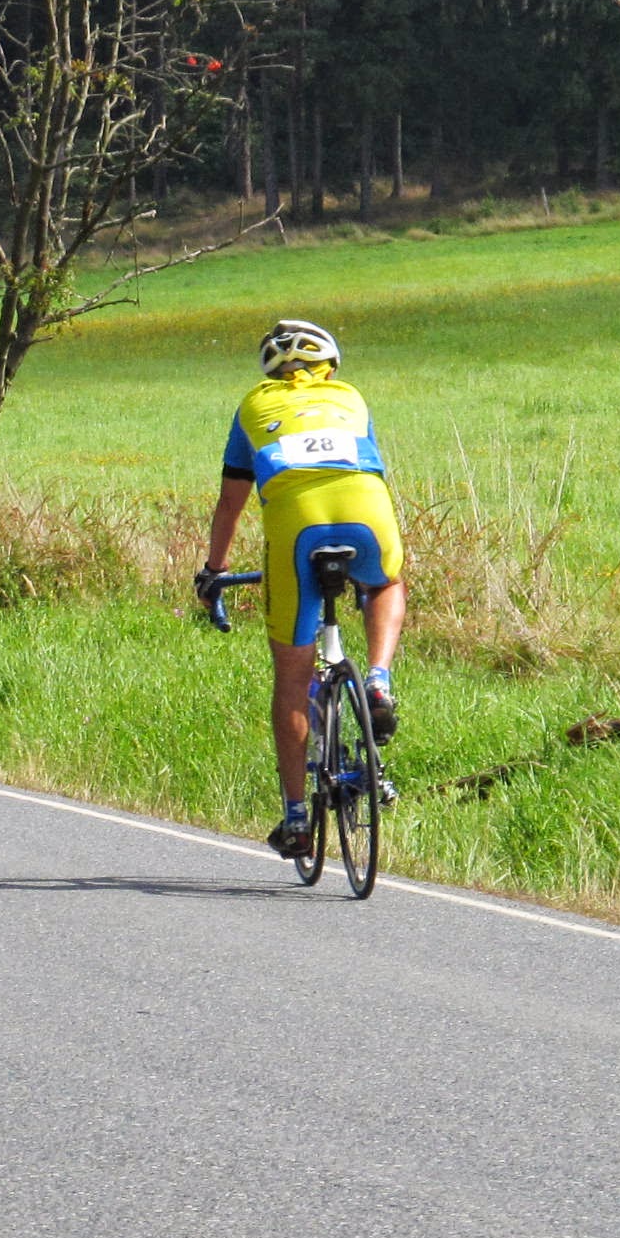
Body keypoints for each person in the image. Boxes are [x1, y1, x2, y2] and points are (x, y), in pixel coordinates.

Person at [197, 319, 407, 861]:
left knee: (292, 676)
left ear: (272, 373)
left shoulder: (252, 405)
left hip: (296, 525)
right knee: (385, 583)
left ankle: (295, 818)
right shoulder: (350, 397)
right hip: (366, 512)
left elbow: (231, 501)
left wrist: (214, 569)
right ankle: (378, 680)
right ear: (329, 367)